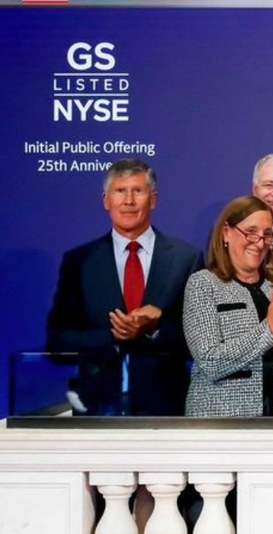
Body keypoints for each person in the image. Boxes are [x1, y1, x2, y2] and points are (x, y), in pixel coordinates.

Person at [45, 157, 202, 415]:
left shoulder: (186, 259)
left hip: (166, 408)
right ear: (106, 200)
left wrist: (156, 327)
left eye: (137, 191)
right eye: (120, 191)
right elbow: (57, 341)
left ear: (153, 199)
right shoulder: (79, 262)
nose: (128, 201)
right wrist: (113, 335)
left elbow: (200, 340)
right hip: (97, 405)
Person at [182, 196, 273, 417]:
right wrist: (270, 327)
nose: (259, 243)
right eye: (251, 232)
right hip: (221, 418)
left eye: (266, 235)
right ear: (226, 233)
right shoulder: (203, 284)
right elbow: (211, 362)